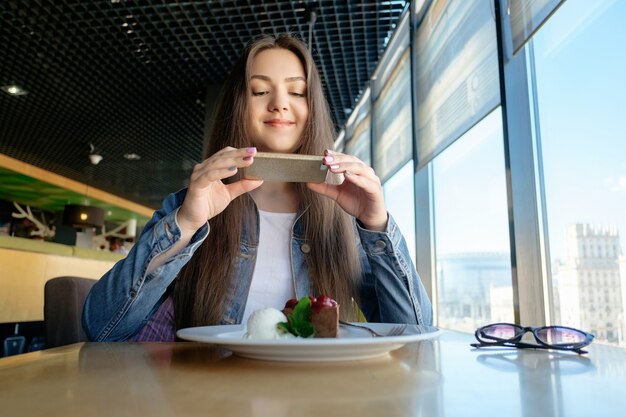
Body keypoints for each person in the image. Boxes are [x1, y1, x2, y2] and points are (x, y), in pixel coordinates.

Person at [82, 34, 432, 342]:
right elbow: (101, 327)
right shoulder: (190, 205)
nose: (279, 103)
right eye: (260, 90)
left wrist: (376, 224)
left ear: (312, 108)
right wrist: (186, 223)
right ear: (239, 105)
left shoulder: (341, 219)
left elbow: (417, 334)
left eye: (296, 91)